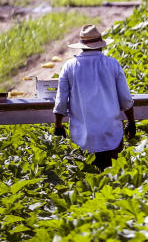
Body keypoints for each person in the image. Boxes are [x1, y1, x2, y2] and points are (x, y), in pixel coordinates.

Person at [53, 24, 135, 170]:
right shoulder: (112, 64)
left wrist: (58, 125)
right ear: (101, 45)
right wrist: (131, 121)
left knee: (85, 180)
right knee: (112, 178)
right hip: (110, 134)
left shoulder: (70, 66)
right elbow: (126, 99)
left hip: (83, 137)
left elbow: (61, 102)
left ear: (81, 46)